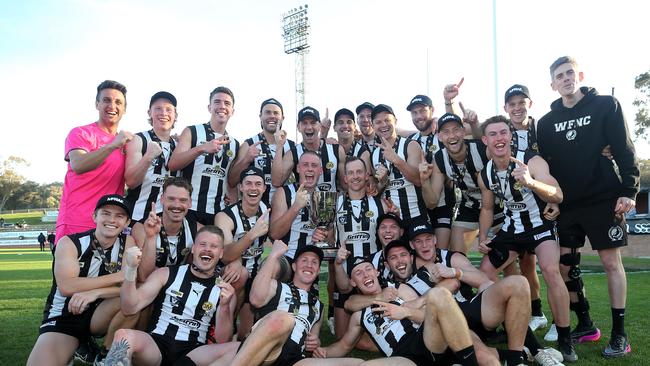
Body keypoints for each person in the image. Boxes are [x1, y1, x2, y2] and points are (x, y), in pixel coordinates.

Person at [537, 56, 640, 359]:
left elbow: (624, 148)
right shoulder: (545, 123)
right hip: (567, 206)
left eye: (570, 73)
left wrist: (629, 190)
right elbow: (544, 165)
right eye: (560, 76)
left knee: (611, 264)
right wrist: (550, 201)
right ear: (553, 84)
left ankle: (619, 334)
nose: (566, 79)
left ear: (579, 75)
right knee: (567, 267)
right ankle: (585, 324)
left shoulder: (606, 105)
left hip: (602, 200)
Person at [476, 115, 575, 362]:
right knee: (484, 272)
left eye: (503, 133)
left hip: (540, 225)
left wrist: (531, 182)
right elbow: (487, 209)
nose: (499, 139)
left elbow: (558, 194)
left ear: (510, 135)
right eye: (493, 135)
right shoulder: (485, 173)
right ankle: (506, 327)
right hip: (512, 228)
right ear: (485, 140)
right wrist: (483, 235)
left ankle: (565, 338)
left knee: (551, 270)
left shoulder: (531, 159)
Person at [102, 226, 239, 366]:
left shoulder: (225, 290)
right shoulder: (166, 273)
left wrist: (224, 306)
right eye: (202, 244)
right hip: (157, 345)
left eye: (214, 246)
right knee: (123, 336)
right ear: (193, 249)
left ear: (221, 253)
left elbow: (223, 339)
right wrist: (131, 270)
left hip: (194, 352)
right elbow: (129, 308)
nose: (207, 249)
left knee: (238, 348)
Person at [210, 240, 363, 366]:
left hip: (295, 360)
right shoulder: (276, 286)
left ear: (317, 271)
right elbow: (255, 299)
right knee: (282, 320)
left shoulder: (318, 305)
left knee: (358, 363)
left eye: (314, 262)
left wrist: (315, 343)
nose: (309, 265)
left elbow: (312, 339)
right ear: (294, 266)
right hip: (266, 351)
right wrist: (273, 256)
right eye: (304, 260)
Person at [27, 195, 137, 366]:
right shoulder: (70, 243)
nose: (112, 220)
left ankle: (104, 356)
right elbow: (67, 286)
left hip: (100, 312)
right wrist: (119, 276)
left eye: (119, 216)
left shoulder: (128, 242)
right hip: (66, 313)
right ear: (95, 216)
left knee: (133, 301)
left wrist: (96, 292)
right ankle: (78, 346)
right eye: (106, 213)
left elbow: (131, 288)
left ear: (127, 222)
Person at [315, 257, 483, 365]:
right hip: (402, 357)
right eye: (358, 273)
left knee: (439, 294)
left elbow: (431, 317)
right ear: (353, 282)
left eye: (368, 269)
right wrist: (323, 351)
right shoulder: (359, 316)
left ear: (376, 272)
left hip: (424, 341)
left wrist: (406, 312)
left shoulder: (398, 289)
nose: (365, 275)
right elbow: (344, 345)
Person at [55, 80, 133, 241]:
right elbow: (78, 164)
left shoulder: (128, 145)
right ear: (97, 104)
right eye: (106, 100)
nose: (112, 106)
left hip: (109, 227)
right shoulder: (81, 133)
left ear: (124, 109)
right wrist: (113, 145)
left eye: (118, 102)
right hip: (76, 224)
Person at [502, 84, 548, 332]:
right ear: (506, 108)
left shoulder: (543, 128)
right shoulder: (503, 131)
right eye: (512, 104)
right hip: (518, 208)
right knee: (527, 264)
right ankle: (537, 312)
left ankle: (582, 321)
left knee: (561, 264)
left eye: (522, 102)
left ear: (530, 103)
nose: (517, 107)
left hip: (546, 202)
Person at [420, 113, 502, 253]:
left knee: (501, 261)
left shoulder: (482, 149)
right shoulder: (440, 158)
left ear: (464, 131)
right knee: (456, 257)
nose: (452, 135)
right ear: (439, 137)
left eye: (456, 129)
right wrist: (424, 180)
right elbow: (432, 202)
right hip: (469, 207)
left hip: (498, 207)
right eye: (446, 132)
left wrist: (475, 123)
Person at [168, 86, 239, 225]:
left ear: (232, 111)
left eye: (227, 103)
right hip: (189, 208)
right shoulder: (192, 131)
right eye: (217, 102)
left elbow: (231, 183)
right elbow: (173, 164)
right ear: (209, 107)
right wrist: (201, 148)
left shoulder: (235, 144)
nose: (222, 106)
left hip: (218, 212)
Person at [215, 166, 270, 340]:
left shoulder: (267, 210)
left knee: (245, 336)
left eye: (258, 184)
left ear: (264, 188)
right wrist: (251, 236)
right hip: (228, 274)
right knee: (240, 273)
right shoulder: (225, 216)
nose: (253, 188)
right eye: (248, 184)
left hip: (253, 275)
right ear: (240, 187)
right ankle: (225, 326)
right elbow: (225, 254)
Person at [228, 98, 296, 205]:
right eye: (267, 112)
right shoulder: (249, 144)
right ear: (260, 116)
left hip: (283, 211)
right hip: (255, 211)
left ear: (282, 118)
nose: (272, 116)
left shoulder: (292, 146)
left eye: (276, 113)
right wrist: (246, 160)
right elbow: (232, 181)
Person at [124, 91, 178, 223]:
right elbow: (131, 181)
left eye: (168, 110)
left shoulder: (179, 146)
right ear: (150, 113)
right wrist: (148, 156)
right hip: (137, 217)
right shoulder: (139, 139)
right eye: (158, 108)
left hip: (166, 220)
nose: (163, 113)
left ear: (175, 115)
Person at [269, 151, 331, 260]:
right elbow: (274, 234)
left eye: (314, 165)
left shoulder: (324, 197)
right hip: (286, 257)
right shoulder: (284, 193)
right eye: (305, 165)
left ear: (320, 171)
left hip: (311, 260)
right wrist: (295, 207)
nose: (310, 169)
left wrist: (322, 235)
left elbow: (329, 236)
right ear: (298, 168)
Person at [370, 104, 426, 222]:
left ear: (395, 121)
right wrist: (383, 182)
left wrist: (396, 159)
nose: (384, 125)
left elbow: (418, 180)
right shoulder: (374, 154)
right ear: (373, 126)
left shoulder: (410, 145)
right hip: (389, 220)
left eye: (387, 120)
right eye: (378, 122)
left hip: (415, 216)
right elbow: (375, 191)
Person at [271, 106, 346, 193]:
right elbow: (276, 182)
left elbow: (344, 185)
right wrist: (279, 147)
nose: (309, 127)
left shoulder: (336, 150)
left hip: (330, 205)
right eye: (304, 123)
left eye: (313, 123)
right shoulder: (293, 153)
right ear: (298, 127)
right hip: (303, 205)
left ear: (319, 126)